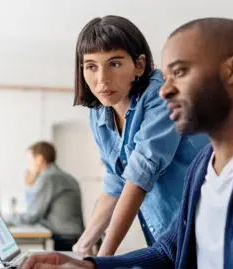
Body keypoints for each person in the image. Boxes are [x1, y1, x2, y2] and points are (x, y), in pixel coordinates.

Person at [20, 17, 233, 269]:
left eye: (179, 73)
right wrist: (88, 264)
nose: (163, 91)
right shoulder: (201, 168)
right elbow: (169, 251)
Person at [71, 15, 209, 256]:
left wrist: (102, 259)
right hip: (168, 241)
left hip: (206, 230)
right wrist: (82, 247)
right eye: (91, 66)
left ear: (139, 65)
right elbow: (116, 181)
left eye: (114, 63)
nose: (102, 79)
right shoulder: (99, 113)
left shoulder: (163, 95)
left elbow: (139, 174)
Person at [8, 141, 85, 251]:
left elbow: (32, 216)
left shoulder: (48, 177)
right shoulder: (62, 175)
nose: (29, 166)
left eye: (30, 161)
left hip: (64, 239)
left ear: (39, 159)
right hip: (73, 236)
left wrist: (6, 219)